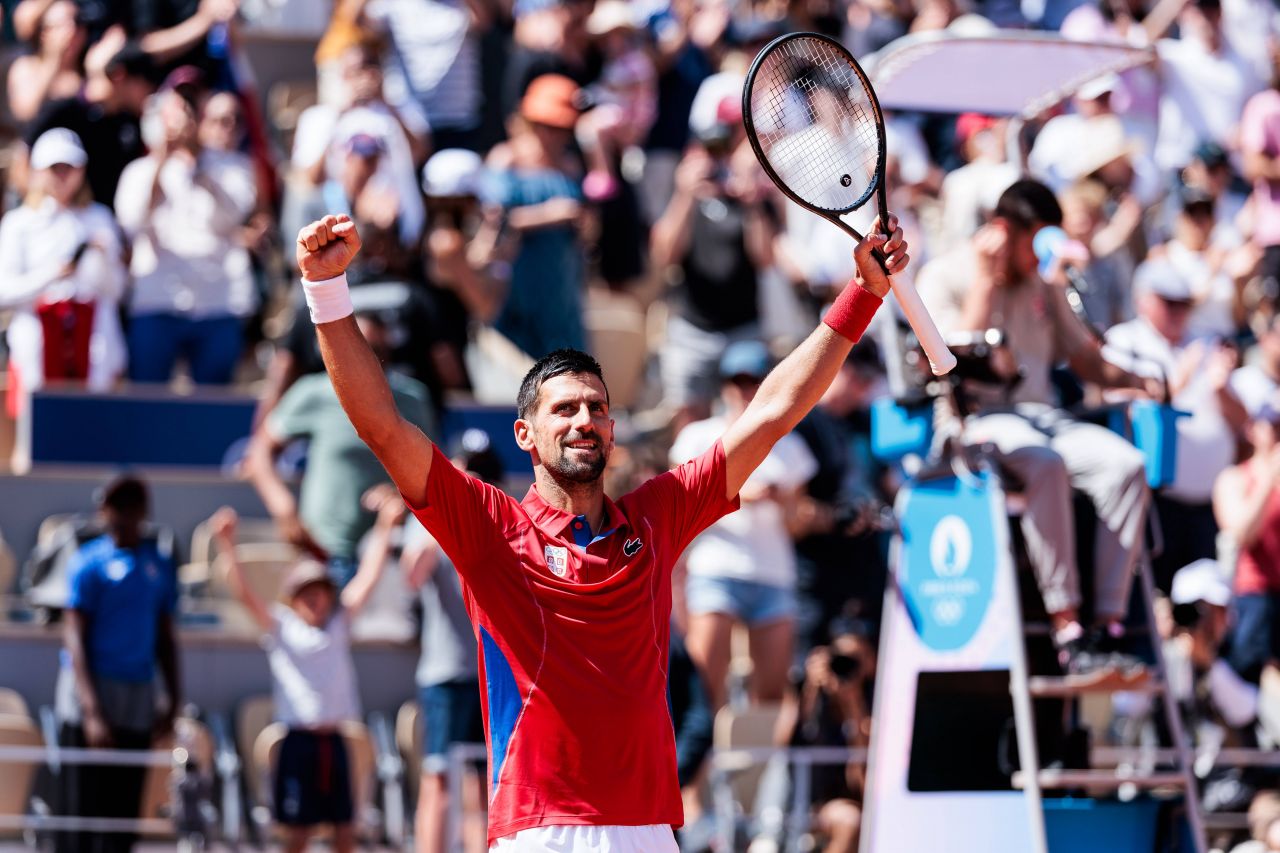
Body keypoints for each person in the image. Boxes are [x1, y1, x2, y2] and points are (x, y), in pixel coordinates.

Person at [292, 208, 908, 850]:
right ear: (525, 434)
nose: (586, 418)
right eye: (565, 408)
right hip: (543, 831)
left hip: (649, 831)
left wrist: (862, 293)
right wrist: (325, 288)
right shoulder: (490, 527)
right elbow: (382, 426)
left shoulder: (658, 513)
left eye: (599, 408)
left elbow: (772, 413)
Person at [917, 179, 1163, 682]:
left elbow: (1086, 361)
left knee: (1124, 465)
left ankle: (1106, 626)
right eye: (1036, 241)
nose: (1041, 255)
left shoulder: (1041, 284)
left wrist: (1142, 381)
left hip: (1042, 418)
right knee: (1043, 462)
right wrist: (987, 280)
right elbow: (951, 362)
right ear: (1005, 231)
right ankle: (1067, 627)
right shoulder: (945, 274)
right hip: (973, 420)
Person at [209, 492, 397, 853]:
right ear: (293, 599)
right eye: (306, 592)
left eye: (320, 591)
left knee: (346, 832)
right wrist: (226, 542)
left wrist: (385, 526)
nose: (315, 598)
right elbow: (243, 591)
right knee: (298, 835)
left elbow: (370, 574)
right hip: (297, 743)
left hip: (335, 741)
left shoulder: (340, 623)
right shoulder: (280, 627)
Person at [671, 340, 818, 709]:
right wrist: (741, 494)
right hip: (716, 567)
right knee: (704, 686)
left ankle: (753, 766)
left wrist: (786, 502)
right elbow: (678, 503)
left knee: (770, 694)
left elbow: (796, 526)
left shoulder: (791, 446)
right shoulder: (698, 436)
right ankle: (705, 762)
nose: (744, 390)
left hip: (772, 572)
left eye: (753, 381)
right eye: (737, 380)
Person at [245, 312, 436, 586]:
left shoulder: (414, 398)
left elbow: (434, 472)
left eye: (377, 352)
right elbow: (259, 451)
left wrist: (399, 495)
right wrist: (283, 507)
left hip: (393, 556)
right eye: (359, 350)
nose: (368, 360)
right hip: (325, 554)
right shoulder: (315, 392)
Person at [55, 474, 181, 853]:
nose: (121, 515)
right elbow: (74, 636)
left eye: (130, 506)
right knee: (81, 805)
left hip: (136, 692)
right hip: (91, 693)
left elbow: (164, 637)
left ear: (143, 512)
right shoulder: (87, 563)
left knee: (123, 807)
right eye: (114, 506)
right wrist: (92, 711)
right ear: (102, 510)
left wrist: (173, 698)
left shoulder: (157, 565)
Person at [1103, 260, 1242, 591]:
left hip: (1207, 506)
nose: (1179, 311)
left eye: (1185, 303)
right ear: (1143, 300)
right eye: (1170, 302)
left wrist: (1221, 388)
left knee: (1208, 605)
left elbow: (1243, 423)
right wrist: (1180, 378)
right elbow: (1121, 406)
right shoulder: (1125, 340)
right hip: (1156, 504)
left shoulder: (1207, 342)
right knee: (1162, 599)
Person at [114, 77, 258, 385]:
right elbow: (133, 222)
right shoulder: (138, 172)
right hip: (156, 302)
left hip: (218, 303)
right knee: (146, 404)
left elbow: (231, 217)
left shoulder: (233, 166)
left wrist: (199, 159)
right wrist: (164, 157)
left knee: (211, 411)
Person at [403, 433, 498, 853]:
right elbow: (412, 575)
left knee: (486, 781)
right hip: (446, 671)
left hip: (490, 671)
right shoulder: (429, 513)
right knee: (438, 776)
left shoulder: (499, 514)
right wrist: (447, 506)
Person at [0, 128, 128, 421]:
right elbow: (4, 292)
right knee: (37, 418)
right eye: (54, 168)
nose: (62, 176)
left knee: (95, 414)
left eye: (69, 168)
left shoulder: (100, 218)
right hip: (39, 338)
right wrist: (53, 274)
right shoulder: (18, 223)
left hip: (92, 339)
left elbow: (116, 291)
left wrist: (103, 256)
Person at [1217, 401, 1280, 683]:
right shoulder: (1233, 478)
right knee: (1247, 682)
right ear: (1252, 430)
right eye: (1273, 426)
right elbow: (1241, 533)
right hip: (1254, 597)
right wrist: (1269, 479)